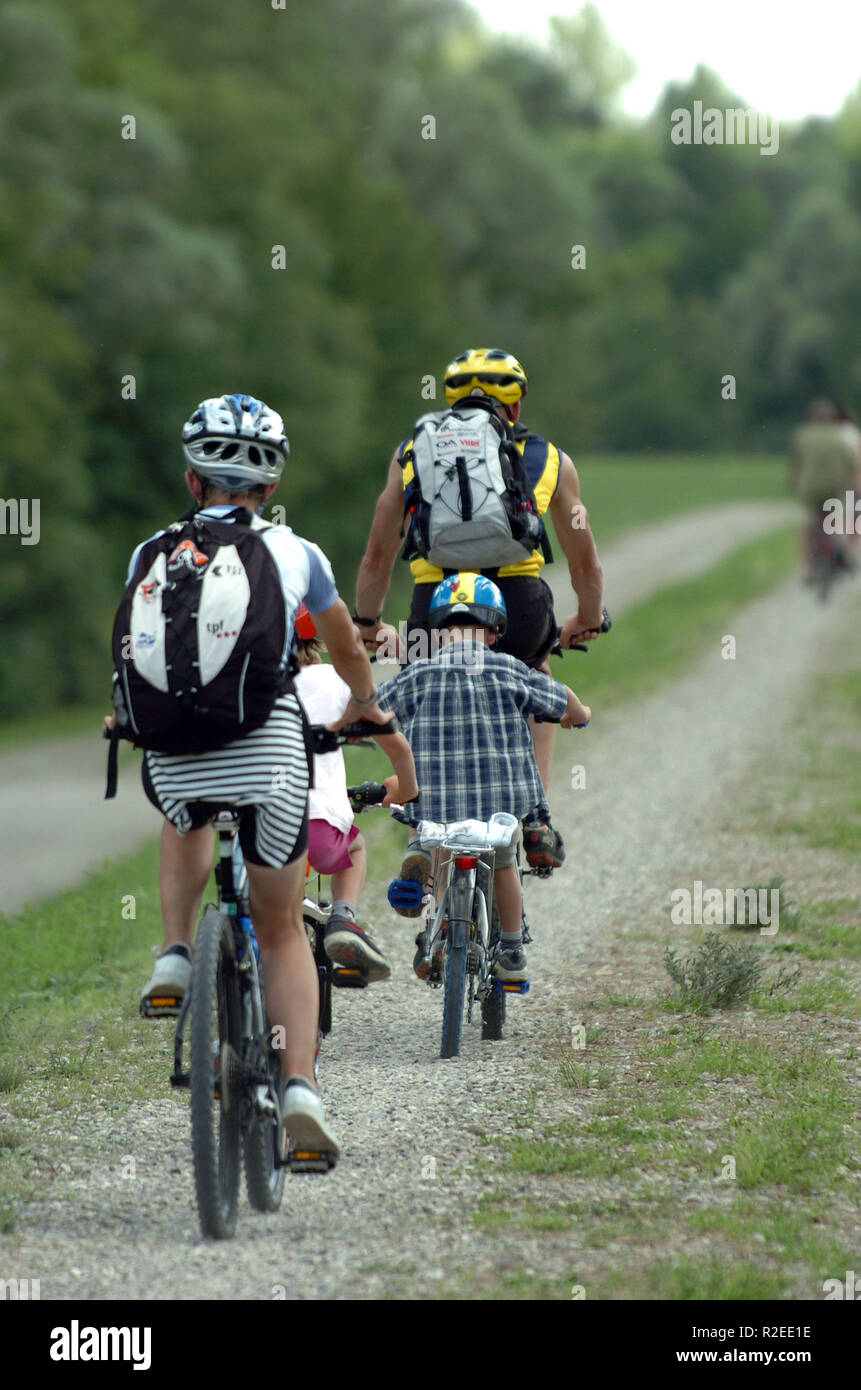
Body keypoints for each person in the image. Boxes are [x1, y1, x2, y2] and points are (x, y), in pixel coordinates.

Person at [117, 394, 417, 1159]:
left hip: (173, 748)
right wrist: (364, 706)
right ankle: (298, 1089)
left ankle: (176, 954)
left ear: (192, 482)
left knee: (181, 812)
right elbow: (347, 644)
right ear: (270, 486)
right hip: (266, 747)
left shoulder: (151, 550)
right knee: (282, 929)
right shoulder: (299, 555)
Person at [354, 347, 604, 871]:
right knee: (532, 673)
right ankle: (535, 818)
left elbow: (379, 553)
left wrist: (369, 623)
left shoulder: (412, 452)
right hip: (519, 602)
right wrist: (587, 616)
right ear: (514, 404)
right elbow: (586, 561)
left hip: (435, 605)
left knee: (427, 688)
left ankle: (424, 832)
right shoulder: (548, 458)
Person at [375, 572, 590, 985]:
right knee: (506, 861)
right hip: (500, 807)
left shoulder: (419, 674)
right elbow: (560, 698)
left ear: (439, 634)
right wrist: (580, 716)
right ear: (494, 632)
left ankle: (437, 933)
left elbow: (373, 711)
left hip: (435, 803)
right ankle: (511, 949)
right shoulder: (510, 669)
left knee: (440, 846)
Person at [293, 603, 392, 982]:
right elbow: (372, 725)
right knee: (356, 846)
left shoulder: (254, 684)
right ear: (317, 637)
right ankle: (342, 919)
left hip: (263, 827)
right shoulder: (333, 678)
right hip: (319, 827)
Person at [788, 398, 861, 577]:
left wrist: (793, 482)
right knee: (841, 517)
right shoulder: (840, 436)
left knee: (808, 523)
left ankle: (807, 568)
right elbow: (850, 466)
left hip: (810, 488)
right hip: (835, 488)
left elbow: (796, 464)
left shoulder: (802, 435)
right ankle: (844, 551)